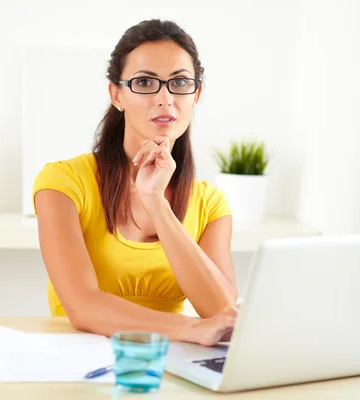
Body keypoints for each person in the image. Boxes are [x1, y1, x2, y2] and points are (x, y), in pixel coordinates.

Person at [33, 19, 238, 347]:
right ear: (116, 94)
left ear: (196, 94)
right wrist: (188, 329)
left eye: (179, 83)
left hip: (170, 366)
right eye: (145, 82)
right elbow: (82, 306)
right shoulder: (62, 182)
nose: (165, 98)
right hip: (76, 362)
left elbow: (220, 308)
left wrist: (157, 203)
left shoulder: (211, 203)